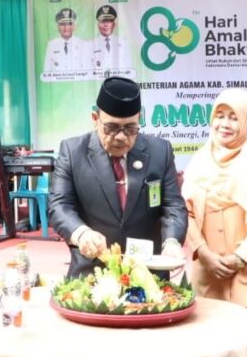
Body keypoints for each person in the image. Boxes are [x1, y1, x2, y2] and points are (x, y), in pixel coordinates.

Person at [49, 77, 187, 277]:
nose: (121, 137)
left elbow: (173, 205)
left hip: (148, 272)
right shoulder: (73, 152)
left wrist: (172, 242)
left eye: (130, 128)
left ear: (139, 119)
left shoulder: (160, 151)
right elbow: (59, 206)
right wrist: (81, 233)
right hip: (92, 273)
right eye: (112, 128)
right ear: (95, 119)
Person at [183, 88, 247, 321]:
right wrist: (203, 253)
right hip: (208, 270)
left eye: (234, 117)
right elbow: (186, 212)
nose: (224, 124)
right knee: (209, 339)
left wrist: (239, 258)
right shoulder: (200, 159)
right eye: (220, 116)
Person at [43, 7, 92, 74]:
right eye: (62, 24)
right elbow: (47, 70)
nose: (66, 28)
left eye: (69, 24)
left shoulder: (82, 44)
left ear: (74, 26)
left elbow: (87, 70)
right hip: (58, 80)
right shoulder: (52, 45)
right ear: (58, 27)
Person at [91, 5, 133, 72]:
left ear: (114, 24)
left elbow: (129, 67)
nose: (106, 25)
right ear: (98, 25)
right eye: (102, 21)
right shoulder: (90, 44)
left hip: (119, 78)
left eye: (109, 21)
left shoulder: (123, 42)